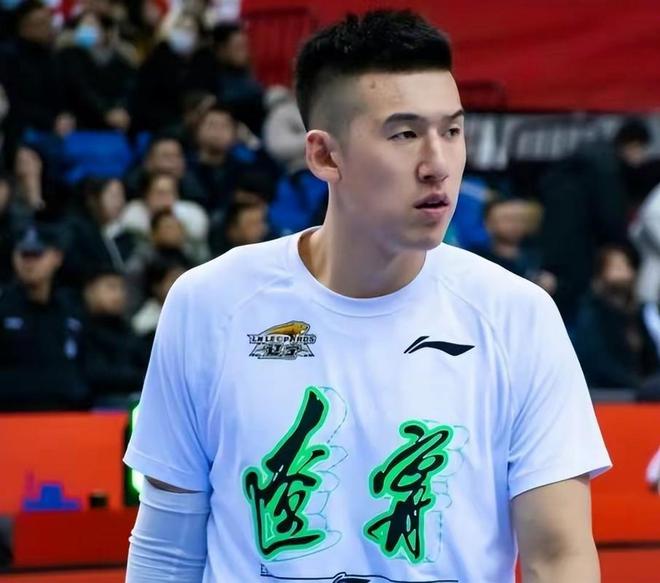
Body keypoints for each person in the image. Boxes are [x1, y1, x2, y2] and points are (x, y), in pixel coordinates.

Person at [125, 10, 611, 583]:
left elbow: (559, 557)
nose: (437, 165)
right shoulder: (210, 304)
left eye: (452, 131)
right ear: (324, 155)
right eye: (404, 134)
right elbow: (167, 552)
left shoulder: (516, 316)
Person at [0, 224, 88, 411]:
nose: (29, 263)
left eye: (36, 254)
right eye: (23, 254)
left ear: (57, 257)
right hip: (10, 415)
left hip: (66, 414)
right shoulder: (4, 306)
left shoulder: (71, 309)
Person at [573, 245, 658, 390]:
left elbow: (650, 357)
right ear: (601, 275)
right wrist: (636, 383)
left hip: (637, 391)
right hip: (603, 392)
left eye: (627, 266)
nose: (625, 273)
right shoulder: (592, 312)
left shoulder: (635, 313)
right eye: (617, 267)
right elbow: (598, 361)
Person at [82, 268, 148, 400]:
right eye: (111, 287)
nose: (118, 295)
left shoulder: (128, 330)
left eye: (122, 288)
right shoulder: (82, 330)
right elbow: (98, 375)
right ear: (90, 292)